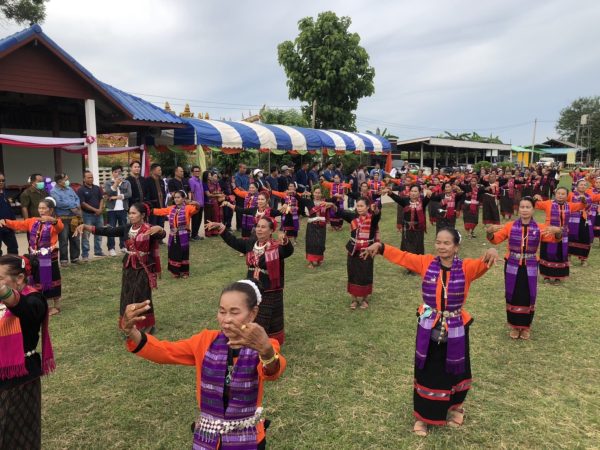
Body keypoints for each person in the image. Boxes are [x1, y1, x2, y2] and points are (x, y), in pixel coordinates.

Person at [362, 228, 499, 436]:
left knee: (456, 369)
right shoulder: (426, 263)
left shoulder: (467, 268)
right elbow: (404, 257)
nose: (441, 247)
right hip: (429, 325)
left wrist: (492, 250)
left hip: (455, 327)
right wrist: (380, 247)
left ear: (456, 247)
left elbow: (485, 261)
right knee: (427, 371)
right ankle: (423, 417)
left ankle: (455, 408)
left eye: (447, 243)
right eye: (438, 242)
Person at [121, 280, 286, 449]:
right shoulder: (205, 341)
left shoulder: (265, 345)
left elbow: (272, 370)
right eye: (222, 311)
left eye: (234, 312)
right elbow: (165, 351)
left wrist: (265, 350)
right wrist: (131, 331)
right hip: (208, 437)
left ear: (252, 313)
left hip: (249, 438)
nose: (226, 319)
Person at [74, 203, 165, 333]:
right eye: (130, 213)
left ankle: (147, 325)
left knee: (142, 295)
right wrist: (86, 226)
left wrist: (160, 228)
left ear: (143, 215)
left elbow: (161, 234)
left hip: (144, 267)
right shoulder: (127, 228)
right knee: (127, 295)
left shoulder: (149, 229)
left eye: (134, 213)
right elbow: (108, 231)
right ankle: (129, 325)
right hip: (129, 266)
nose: (131, 216)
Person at [206, 218, 294, 345]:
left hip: (270, 288)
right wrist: (221, 228)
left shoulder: (275, 247)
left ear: (271, 230)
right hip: (252, 286)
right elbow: (234, 242)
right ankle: (249, 338)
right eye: (258, 226)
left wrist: (285, 241)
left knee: (269, 315)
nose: (259, 229)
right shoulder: (251, 243)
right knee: (250, 312)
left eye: (263, 227)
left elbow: (288, 251)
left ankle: (267, 341)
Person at [0, 255, 55, 450]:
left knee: (16, 436)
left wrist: (5, 292)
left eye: (0, 278)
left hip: (19, 379)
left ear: (20, 278)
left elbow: (26, 310)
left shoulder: (34, 299)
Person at [487, 197, 562, 339]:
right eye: (522, 207)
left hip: (531, 265)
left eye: (528, 207)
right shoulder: (510, 226)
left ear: (533, 209)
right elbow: (495, 239)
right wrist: (490, 232)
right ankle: (515, 326)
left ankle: (526, 326)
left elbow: (554, 239)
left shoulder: (540, 228)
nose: (525, 210)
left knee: (529, 295)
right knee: (513, 293)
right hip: (512, 265)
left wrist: (557, 232)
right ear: (519, 209)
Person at [0, 198, 64, 315]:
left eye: (44, 208)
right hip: (35, 256)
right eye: (40, 208)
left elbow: (60, 227)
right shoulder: (33, 221)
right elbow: (19, 224)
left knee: (52, 279)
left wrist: (53, 221)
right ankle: (44, 304)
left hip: (50, 257)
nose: (41, 210)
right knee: (38, 278)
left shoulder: (55, 222)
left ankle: (57, 306)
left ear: (51, 210)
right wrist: (5, 221)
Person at [336, 197, 381, 310]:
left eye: (362, 206)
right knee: (353, 273)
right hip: (353, 250)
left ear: (367, 207)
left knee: (366, 274)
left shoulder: (372, 219)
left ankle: (365, 299)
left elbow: (377, 215)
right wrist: (332, 205)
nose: (359, 208)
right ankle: (354, 299)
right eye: (358, 206)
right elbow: (340, 212)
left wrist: (375, 210)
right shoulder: (353, 217)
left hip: (367, 250)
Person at [151, 191, 200, 278]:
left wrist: (195, 203)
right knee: (173, 252)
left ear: (183, 198)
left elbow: (197, 209)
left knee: (183, 252)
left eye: (178, 197)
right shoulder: (171, 208)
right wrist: (147, 210)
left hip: (183, 234)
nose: (176, 199)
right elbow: (160, 211)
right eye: (175, 197)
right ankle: (175, 272)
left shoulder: (188, 208)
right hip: (173, 234)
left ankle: (184, 272)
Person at [385, 185, 431, 257]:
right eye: (412, 191)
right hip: (407, 229)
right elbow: (397, 198)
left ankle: (417, 262)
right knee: (408, 246)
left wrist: (429, 192)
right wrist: (390, 192)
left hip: (418, 229)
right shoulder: (405, 201)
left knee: (417, 246)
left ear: (419, 193)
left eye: (415, 191)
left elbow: (430, 196)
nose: (413, 193)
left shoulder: (422, 202)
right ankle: (408, 262)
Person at [50, 173, 81, 266]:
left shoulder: (70, 189)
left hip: (74, 217)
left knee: (75, 238)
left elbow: (77, 198)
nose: (67, 181)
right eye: (65, 179)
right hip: (63, 218)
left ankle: (75, 258)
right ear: (59, 181)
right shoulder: (54, 191)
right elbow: (59, 203)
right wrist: (73, 206)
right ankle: (64, 260)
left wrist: (75, 205)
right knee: (63, 239)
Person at [566, 179, 600, 265]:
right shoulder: (571, 195)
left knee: (586, 238)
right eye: (581, 184)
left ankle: (583, 259)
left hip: (585, 220)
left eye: (585, 185)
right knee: (571, 237)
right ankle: (568, 258)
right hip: (572, 220)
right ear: (577, 186)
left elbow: (588, 205)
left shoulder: (589, 196)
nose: (583, 186)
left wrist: (585, 202)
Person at [303, 187, 336, 268]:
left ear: (321, 194)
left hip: (321, 226)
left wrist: (332, 204)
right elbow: (298, 198)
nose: (317, 194)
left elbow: (335, 210)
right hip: (311, 226)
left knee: (320, 243)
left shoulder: (325, 203)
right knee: (311, 243)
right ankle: (310, 262)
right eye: (316, 192)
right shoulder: (309, 202)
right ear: (313, 193)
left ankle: (318, 260)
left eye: (319, 193)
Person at [104, 165, 132, 256]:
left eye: (119, 172)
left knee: (123, 228)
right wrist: (115, 183)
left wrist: (116, 197)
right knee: (111, 229)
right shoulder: (108, 182)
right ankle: (111, 248)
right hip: (111, 210)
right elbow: (108, 193)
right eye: (115, 172)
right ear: (112, 173)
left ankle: (123, 246)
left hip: (123, 209)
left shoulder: (126, 182)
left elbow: (129, 194)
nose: (117, 174)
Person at [77, 170, 105, 260]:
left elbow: (101, 199)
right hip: (87, 215)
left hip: (98, 215)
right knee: (86, 235)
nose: (91, 179)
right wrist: (95, 210)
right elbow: (83, 203)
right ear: (84, 179)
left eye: (92, 177)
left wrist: (100, 209)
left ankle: (98, 251)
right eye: (88, 177)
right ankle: (85, 255)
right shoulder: (81, 190)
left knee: (99, 233)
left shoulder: (97, 188)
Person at [0, 173, 18, 255]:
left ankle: (12, 267)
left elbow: (9, 209)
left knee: (13, 248)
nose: (1, 182)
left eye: (3, 180)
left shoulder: (5, 193)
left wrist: (14, 223)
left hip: (8, 225)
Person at [203, 171, 225, 237]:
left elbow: (219, 190)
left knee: (215, 217)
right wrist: (218, 194)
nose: (210, 176)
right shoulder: (204, 184)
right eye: (209, 175)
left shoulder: (215, 183)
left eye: (210, 175)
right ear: (206, 176)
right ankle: (208, 233)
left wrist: (218, 194)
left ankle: (215, 231)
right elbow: (208, 194)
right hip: (208, 203)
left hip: (216, 202)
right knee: (208, 217)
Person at [146, 163, 167, 228]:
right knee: (153, 226)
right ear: (153, 171)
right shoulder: (147, 180)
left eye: (160, 170)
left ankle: (160, 238)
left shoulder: (161, 181)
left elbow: (164, 194)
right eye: (159, 170)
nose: (161, 171)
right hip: (153, 208)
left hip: (162, 208)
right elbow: (147, 195)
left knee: (161, 227)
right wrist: (150, 206)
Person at [188, 165, 205, 241]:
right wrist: (194, 203)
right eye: (196, 171)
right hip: (195, 204)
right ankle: (193, 235)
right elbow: (191, 192)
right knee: (195, 220)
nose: (197, 172)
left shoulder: (200, 180)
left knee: (199, 220)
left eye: (198, 171)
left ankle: (196, 234)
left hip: (201, 204)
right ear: (192, 172)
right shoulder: (191, 180)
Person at [233, 164, 250, 231]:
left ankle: (244, 225)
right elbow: (238, 187)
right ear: (240, 168)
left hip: (246, 196)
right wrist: (246, 192)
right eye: (243, 168)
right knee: (239, 211)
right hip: (240, 196)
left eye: (245, 168)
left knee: (245, 211)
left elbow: (249, 185)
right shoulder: (236, 176)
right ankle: (239, 226)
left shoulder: (246, 176)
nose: (244, 169)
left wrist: (249, 191)